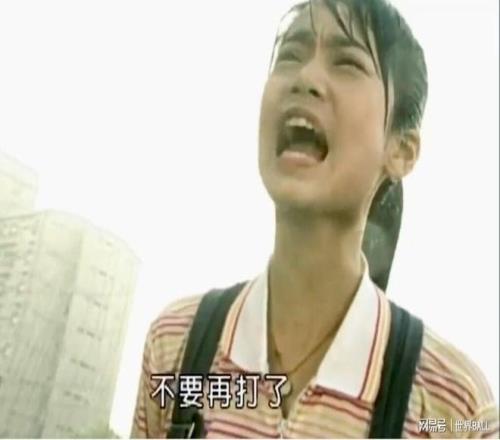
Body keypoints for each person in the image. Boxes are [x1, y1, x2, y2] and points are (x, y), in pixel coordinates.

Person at [131, 0, 499, 437]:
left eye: (347, 63)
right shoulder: (176, 345)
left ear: (401, 150)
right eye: (290, 54)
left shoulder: (455, 408)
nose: (305, 77)